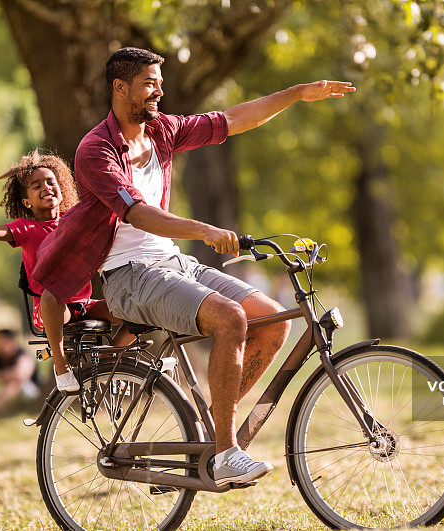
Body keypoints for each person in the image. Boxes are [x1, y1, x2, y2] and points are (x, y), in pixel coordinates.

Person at [34, 47, 355, 487]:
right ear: (120, 87)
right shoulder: (96, 149)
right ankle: (225, 451)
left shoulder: (163, 131)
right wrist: (204, 230)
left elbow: (233, 119)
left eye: (159, 83)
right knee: (231, 319)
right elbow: (139, 214)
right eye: (150, 83)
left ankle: (208, 426)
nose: (159, 91)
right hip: (128, 277)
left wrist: (296, 93)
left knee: (272, 320)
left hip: (171, 263)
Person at [0, 151, 134, 391]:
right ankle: (61, 366)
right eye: (36, 186)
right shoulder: (26, 228)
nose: (45, 187)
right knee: (52, 294)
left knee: (137, 308)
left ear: (62, 190)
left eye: (50, 182)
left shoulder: (74, 221)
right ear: (27, 202)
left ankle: (111, 361)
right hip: (49, 309)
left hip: (82, 306)